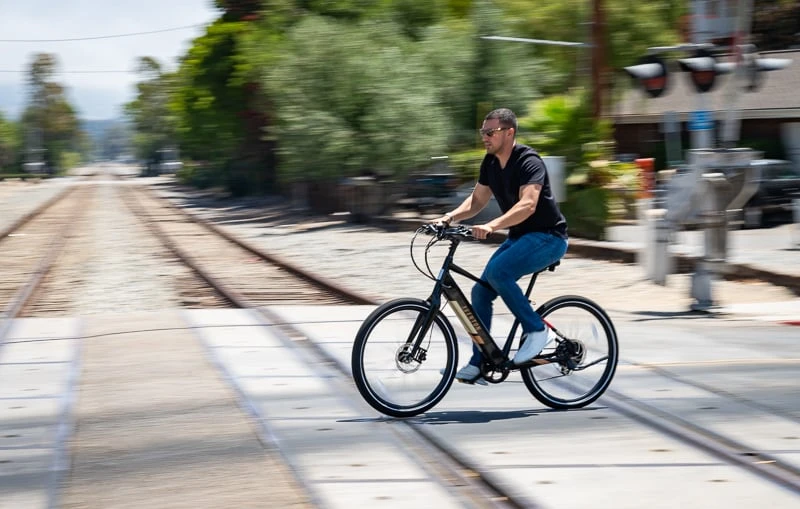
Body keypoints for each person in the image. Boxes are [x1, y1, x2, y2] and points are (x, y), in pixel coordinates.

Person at [435, 108, 568, 385]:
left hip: (548, 237)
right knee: (480, 293)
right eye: (482, 132)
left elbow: (528, 204)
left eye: (490, 132)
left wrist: (492, 225)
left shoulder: (529, 161)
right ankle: (481, 361)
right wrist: (448, 218)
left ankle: (537, 331)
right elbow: (476, 201)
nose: (484, 137)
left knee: (498, 273)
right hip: (520, 238)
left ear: (509, 133)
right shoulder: (491, 162)